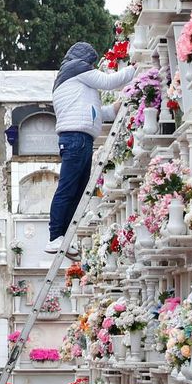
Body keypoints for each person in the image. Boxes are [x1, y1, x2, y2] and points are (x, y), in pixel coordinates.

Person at [46, 41, 134, 253]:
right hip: (76, 138)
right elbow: (109, 81)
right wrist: (138, 67)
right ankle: (55, 235)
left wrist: (114, 109)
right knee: (68, 189)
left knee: (77, 191)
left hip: (79, 137)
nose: (92, 67)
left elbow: (93, 113)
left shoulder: (72, 82)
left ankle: (63, 238)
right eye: (91, 63)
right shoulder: (76, 68)